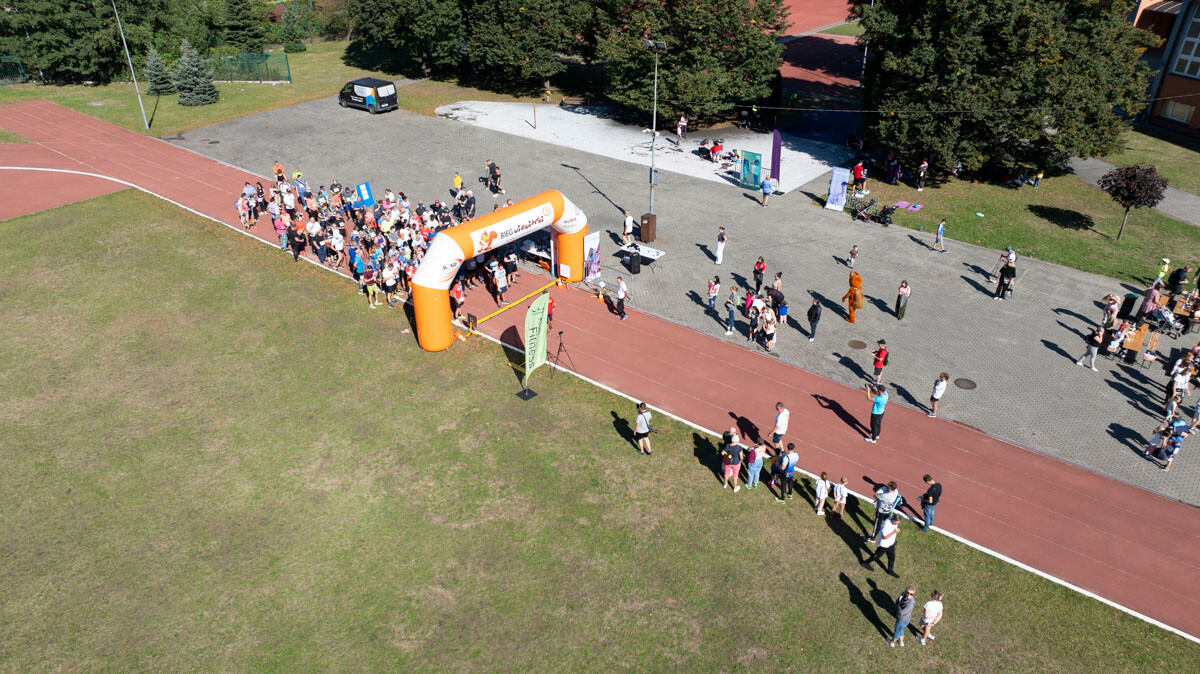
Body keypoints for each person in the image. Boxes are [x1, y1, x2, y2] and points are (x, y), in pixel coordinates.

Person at [720, 427, 742, 492]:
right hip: (736, 462)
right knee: (735, 476)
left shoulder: (725, 435)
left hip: (728, 461)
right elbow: (741, 458)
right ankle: (735, 488)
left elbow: (722, 453)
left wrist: (726, 455)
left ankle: (725, 484)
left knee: (726, 473)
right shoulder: (739, 447)